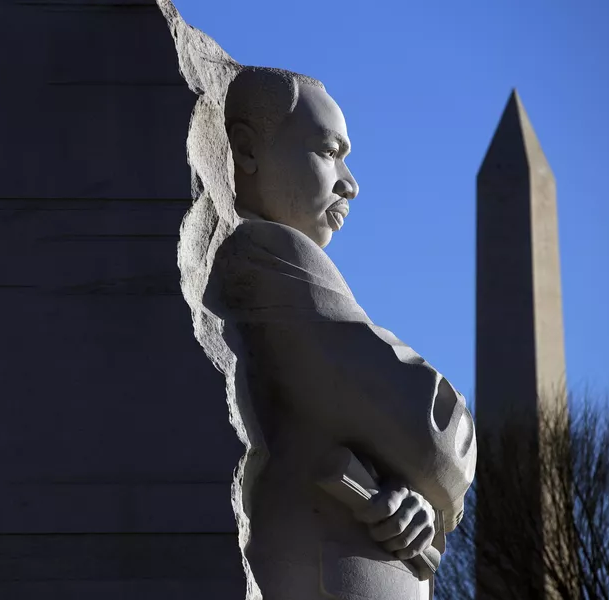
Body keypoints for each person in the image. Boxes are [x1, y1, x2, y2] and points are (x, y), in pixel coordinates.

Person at [203, 67, 476, 600]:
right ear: (246, 150)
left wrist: (412, 496)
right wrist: (432, 473)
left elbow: (355, 433)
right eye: (329, 152)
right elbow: (433, 432)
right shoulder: (271, 254)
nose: (350, 182)